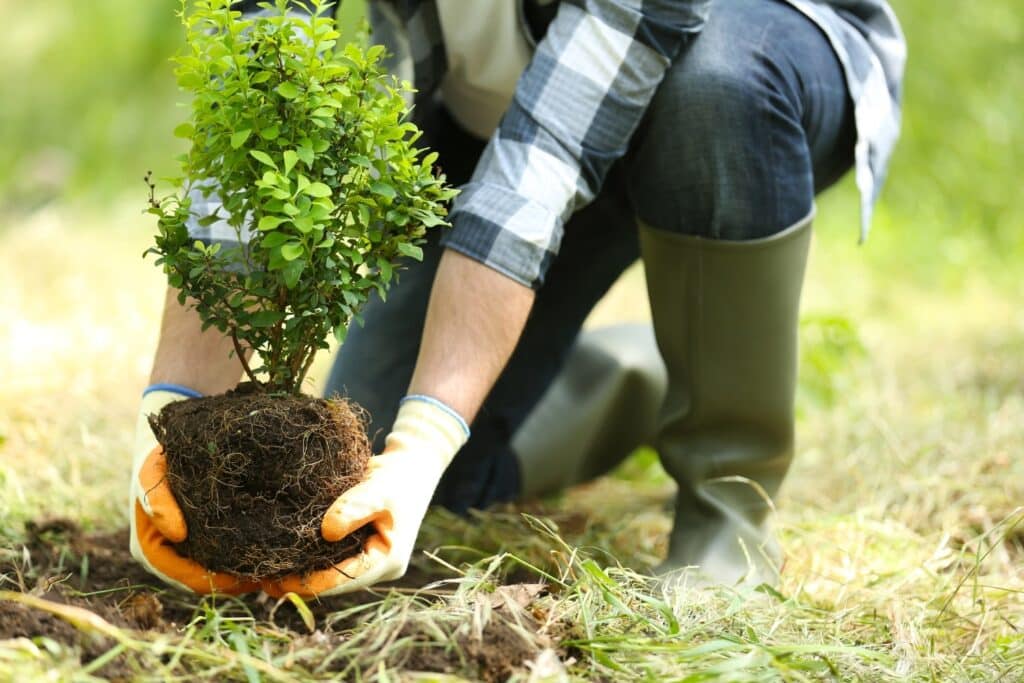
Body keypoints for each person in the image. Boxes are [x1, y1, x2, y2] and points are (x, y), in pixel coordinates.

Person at [130, 0, 906, 595]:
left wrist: (428, 433)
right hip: (497, 115)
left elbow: (544, 160)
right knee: (389, 475)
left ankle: (726, 506)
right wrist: (168, 417)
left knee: (713, 91)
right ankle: (652, 372)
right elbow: (262, 96)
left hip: (740, 69)